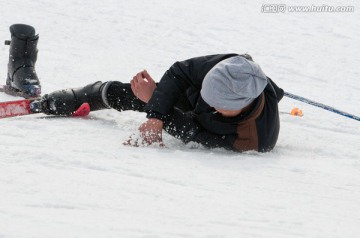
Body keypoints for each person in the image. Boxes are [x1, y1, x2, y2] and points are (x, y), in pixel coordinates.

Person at [5, 24, 284, 152]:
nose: (211, 103)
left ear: (239, 105)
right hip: (202, 100)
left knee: (158, 103)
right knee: (150, 97)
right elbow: (180, 72)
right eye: (209, 95)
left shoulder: (254, 140)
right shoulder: (228, 65)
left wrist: (159, 117)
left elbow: (194, 132)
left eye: (217, 101)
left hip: (211, 126)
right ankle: (85, 95)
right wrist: (155, 110)